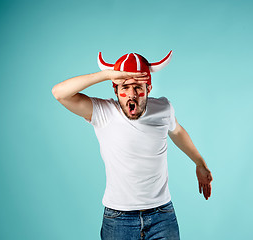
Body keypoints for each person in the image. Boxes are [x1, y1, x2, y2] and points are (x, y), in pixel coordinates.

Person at [51, 51, 213, 240]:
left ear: (149, 87)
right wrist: (107, 75)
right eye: (124, 87)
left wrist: (200, 163)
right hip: (119, 219)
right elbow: (59, 93)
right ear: (115, 89)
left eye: (138, 87)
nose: (131, 95)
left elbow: (177, 131)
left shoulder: (163, 108)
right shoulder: (104, 112)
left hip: (162, 215)